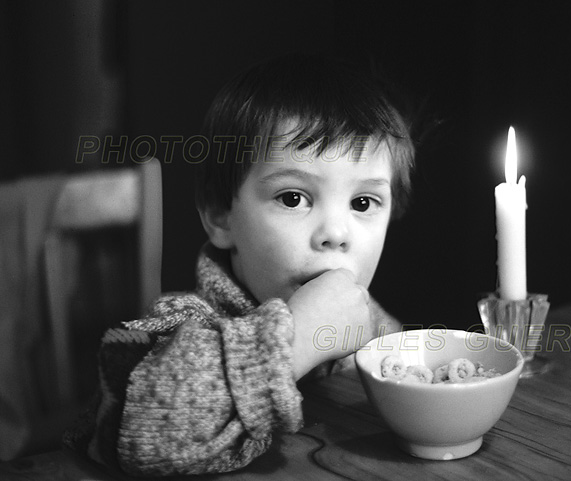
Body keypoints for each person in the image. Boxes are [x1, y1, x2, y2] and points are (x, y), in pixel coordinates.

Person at [64, 52, 416, 477]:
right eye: (293, 198)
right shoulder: (179, 324)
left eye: (363, 202)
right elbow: (141, 437)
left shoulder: (370, 321)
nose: (336, 233)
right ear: (221, 216)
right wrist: (298, 339)